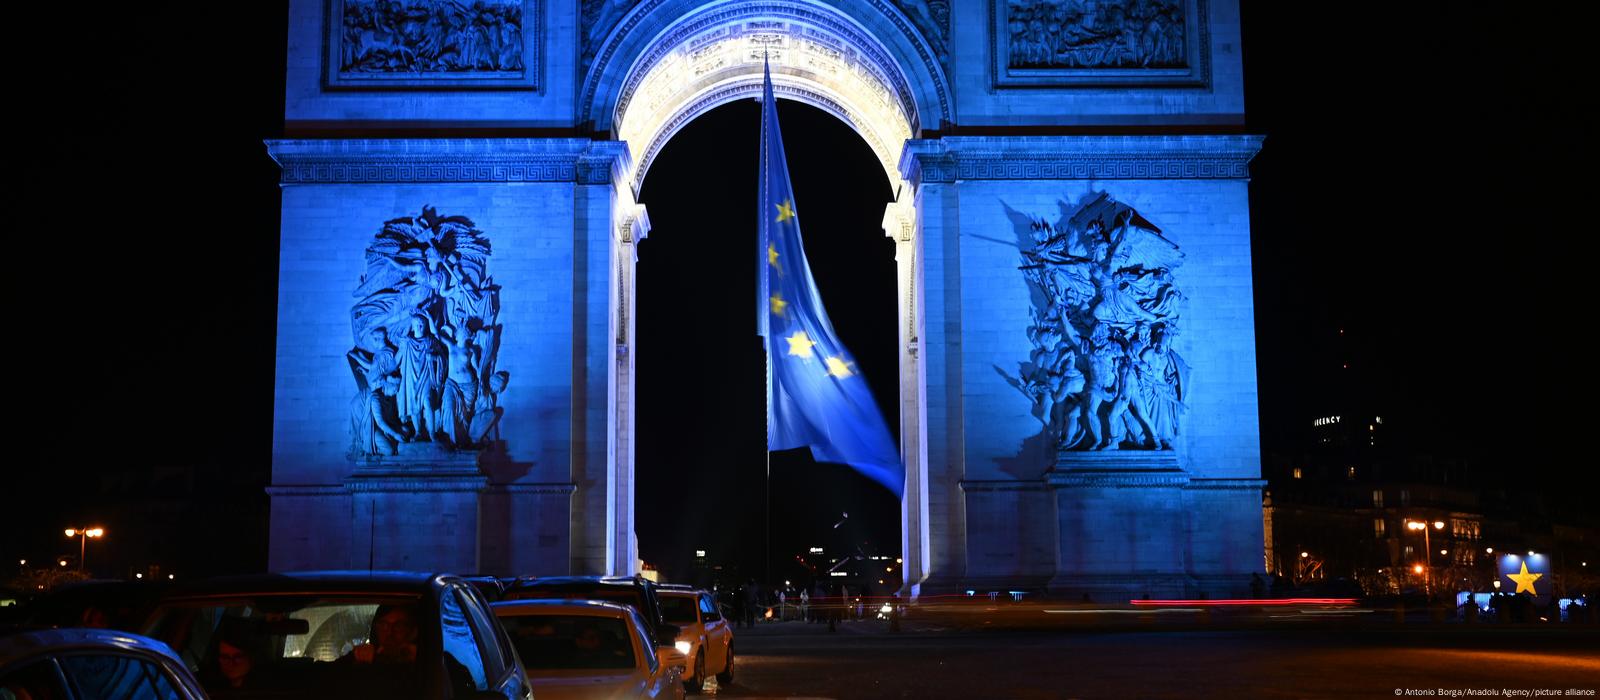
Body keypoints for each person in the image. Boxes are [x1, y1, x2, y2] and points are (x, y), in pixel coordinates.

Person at [344, 605, 419, 665]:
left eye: (398, 626)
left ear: (413, 632)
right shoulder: (362, 654)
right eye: (383, 625)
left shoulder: (422, 659)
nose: (389, 632)